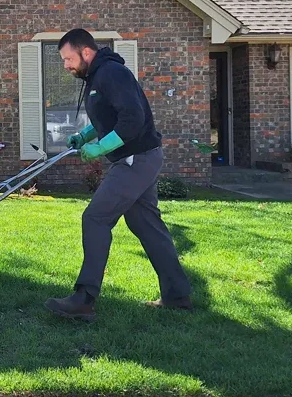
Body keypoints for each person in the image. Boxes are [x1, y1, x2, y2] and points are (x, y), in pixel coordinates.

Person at [44, 28, 193, 322]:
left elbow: (132, 118)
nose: (66, 65)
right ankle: (177, 296)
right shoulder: (97, 76)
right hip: (140, 157)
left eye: (68, 59)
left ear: (86, 52)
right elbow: (108, 117)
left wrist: (101, 148)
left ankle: (84, 299)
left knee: (95, 217)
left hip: (136, 159)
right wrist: (85, 136)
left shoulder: (112, 73)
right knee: (146, 223)